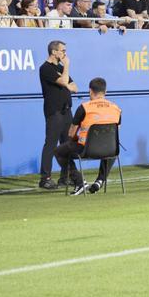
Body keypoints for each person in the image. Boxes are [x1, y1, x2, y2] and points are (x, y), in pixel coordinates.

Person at [56, 77, 122, 195]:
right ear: (105, 92)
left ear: (90, 91)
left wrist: (74, 140)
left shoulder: (84, 107)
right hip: (111, 150)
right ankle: (100, 180)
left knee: (59, 151)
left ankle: (79, 181)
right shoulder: (116, 109)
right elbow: (116, 132)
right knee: (110, 146)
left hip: (86, 150)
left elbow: (71, 133)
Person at [37, 40, 77, 190]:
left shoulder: (60, 68)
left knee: (67, 145)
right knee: (51, 145)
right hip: (54, 112)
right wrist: (66, 68)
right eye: (63, 51)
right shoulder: (45, 68)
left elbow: (75, 87)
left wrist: (65, 81)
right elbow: (64, 81)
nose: (65, 54)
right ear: (54, 52)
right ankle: (45, 178)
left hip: (67, 111)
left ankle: (65, 177)